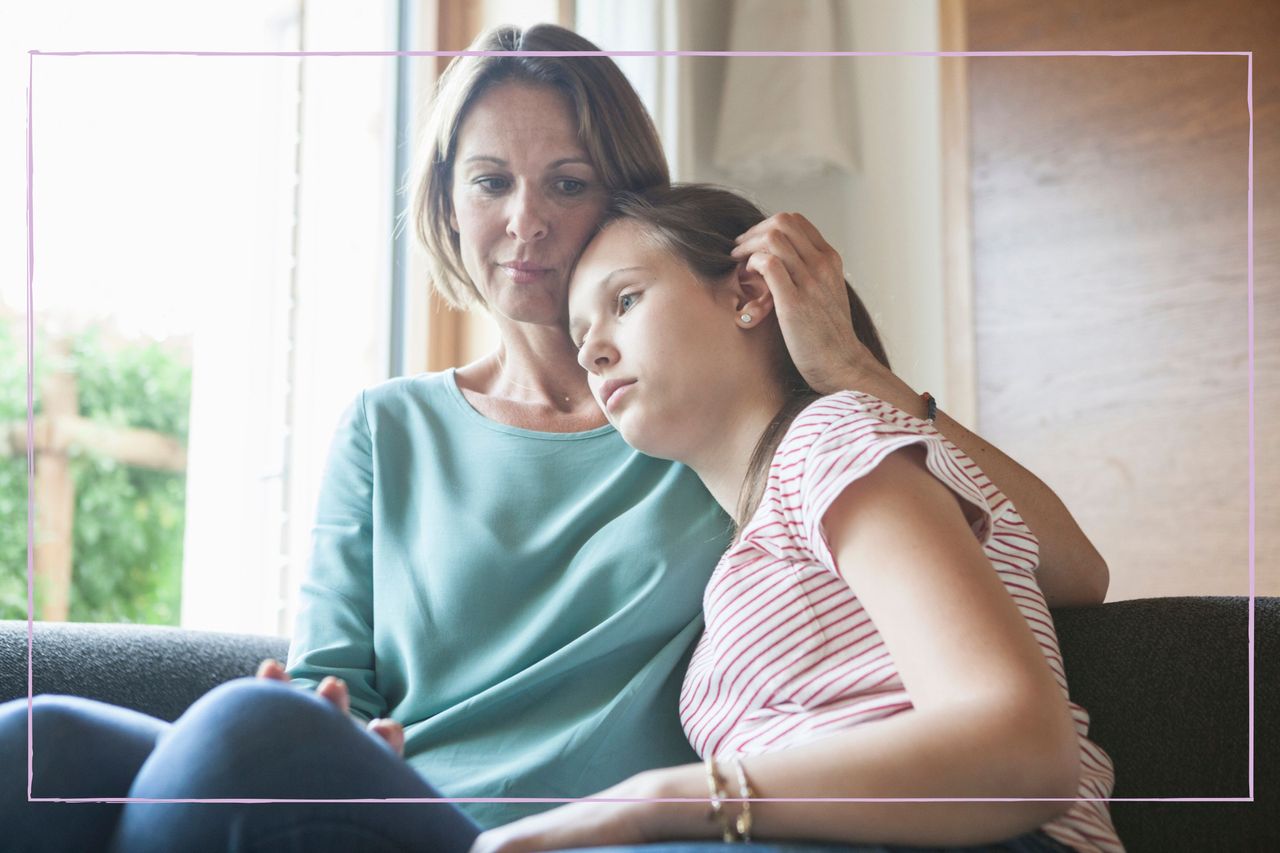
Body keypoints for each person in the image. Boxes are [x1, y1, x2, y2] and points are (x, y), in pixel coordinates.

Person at [0, 22, 1109, 853]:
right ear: (445, 202)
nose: (523, 221)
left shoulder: (705, 431)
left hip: (576, 833)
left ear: (625, 200)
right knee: (35, 742)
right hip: (403, 805)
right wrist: (335, 723)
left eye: (566, 184)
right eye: (488, 181)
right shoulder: (389, 428)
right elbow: (339, 692)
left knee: (233, 743)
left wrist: (849, 369)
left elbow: (1053, 569)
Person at [466, 184, 1122, 853]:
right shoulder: (754, 546)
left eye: (625, 301)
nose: (592, 351)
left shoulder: (831, 439)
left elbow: (1025, 750)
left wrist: (657, 800)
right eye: (580, 336)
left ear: (748, 293)